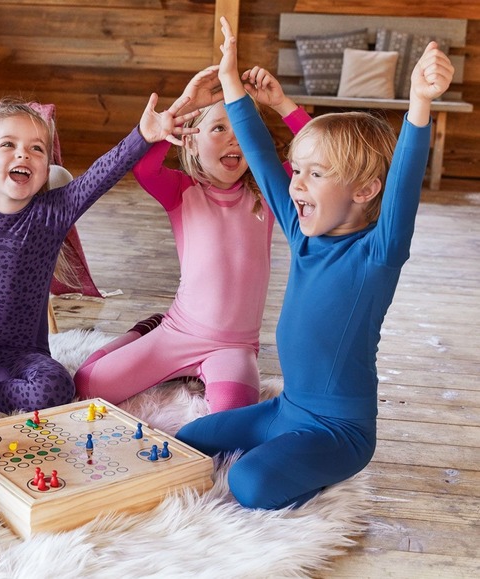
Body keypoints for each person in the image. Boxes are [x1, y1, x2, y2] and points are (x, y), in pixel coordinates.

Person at [175, 17, 454, 510]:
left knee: (249, 484)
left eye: (315, 173)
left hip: (339, 431)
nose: (296, 184)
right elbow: (262, 157)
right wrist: (230, 84)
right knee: (191, 437)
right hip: (285, 410)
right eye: (298, 170)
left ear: (365, 191)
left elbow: (404, 189)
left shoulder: (377, 254)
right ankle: (282, 449)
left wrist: (419, 106)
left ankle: (310, 472)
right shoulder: (304, 234)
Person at [0, 91, 201, 427]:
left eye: (36, 148)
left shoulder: (52, 212)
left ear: (45, 170)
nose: (22, 154)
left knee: (58, 387)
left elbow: (102, 173)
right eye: (8, 145)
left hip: (22, 359)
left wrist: (142, 136)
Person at [74, 65, 311, 413]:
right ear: (191, 140)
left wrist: (282, 103)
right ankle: (144, 330)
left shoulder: (269, 193)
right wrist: (185, 106)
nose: (234, 139)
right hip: (177, 333)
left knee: (232, 412)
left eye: (242, 130)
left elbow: (319, 152)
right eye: (218, 128)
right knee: (86, 383)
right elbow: (145, 169)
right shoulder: (181, 191)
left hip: (234, 347)